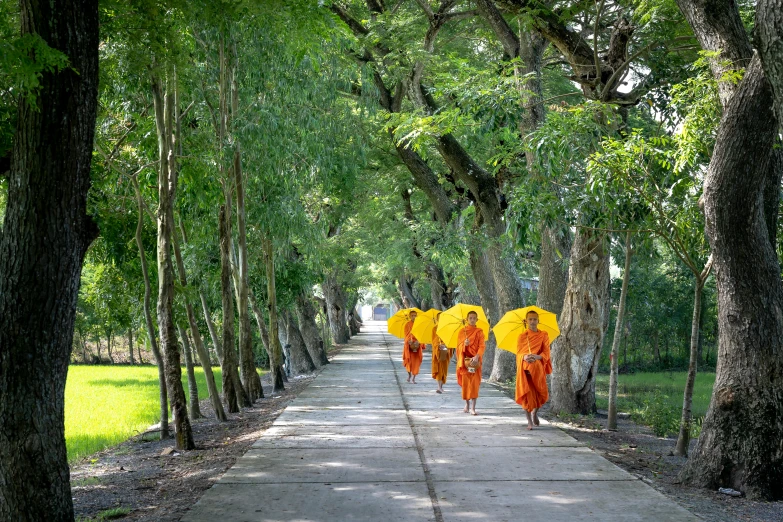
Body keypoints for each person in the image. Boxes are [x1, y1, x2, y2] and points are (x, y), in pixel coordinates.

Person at [515, 310, 552, 430]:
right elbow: (519, 353)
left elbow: (546, 352)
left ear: (538, 321)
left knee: (541, 392)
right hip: (525, 370)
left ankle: (535, 412)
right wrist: (525, 357)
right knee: (527, 394)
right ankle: (529, 421)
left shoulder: (544, 335)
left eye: (535, 319)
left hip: (538, 369)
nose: (532, 321)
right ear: (526, 321)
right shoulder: (522, 336)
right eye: (530, 319)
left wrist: (537, 356)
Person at [456, 310, 485, 415]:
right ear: (467, 320)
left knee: (474, 385)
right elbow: (458, 348)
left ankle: (473, 407)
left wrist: (477, 356)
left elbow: (482, 346)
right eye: (470, 318)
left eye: (474, 318)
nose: (472, 320)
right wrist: (465, 344)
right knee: (466, 385)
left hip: (475, 362)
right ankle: (467, 404)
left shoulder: (479, 332)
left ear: (477, 319)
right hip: (466, 362)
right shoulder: (461, 332)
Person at [430, 313, 454, 394]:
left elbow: (450, 340)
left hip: (446, 351)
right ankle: (439, 387)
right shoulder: (434, 329)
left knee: (444, 369)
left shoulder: (448, 329)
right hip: (438, 352)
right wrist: (438, 346)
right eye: (439, 318)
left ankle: (441, 386)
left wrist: (446, 345)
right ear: (437, 319)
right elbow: (433, 341)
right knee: (439, 369)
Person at [403, 310, 424, 383]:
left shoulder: (419, 325)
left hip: (417, 347)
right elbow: (406, 336)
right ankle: (409, 375)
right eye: (412, 316)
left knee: (416, 363)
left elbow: (421, 335)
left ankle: (414, 378)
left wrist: (419, 341)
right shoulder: (407, 325)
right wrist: (409, 341)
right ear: (409, 316)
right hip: (409, 347)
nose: (414, 317)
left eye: (415, 315)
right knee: (409, 362)